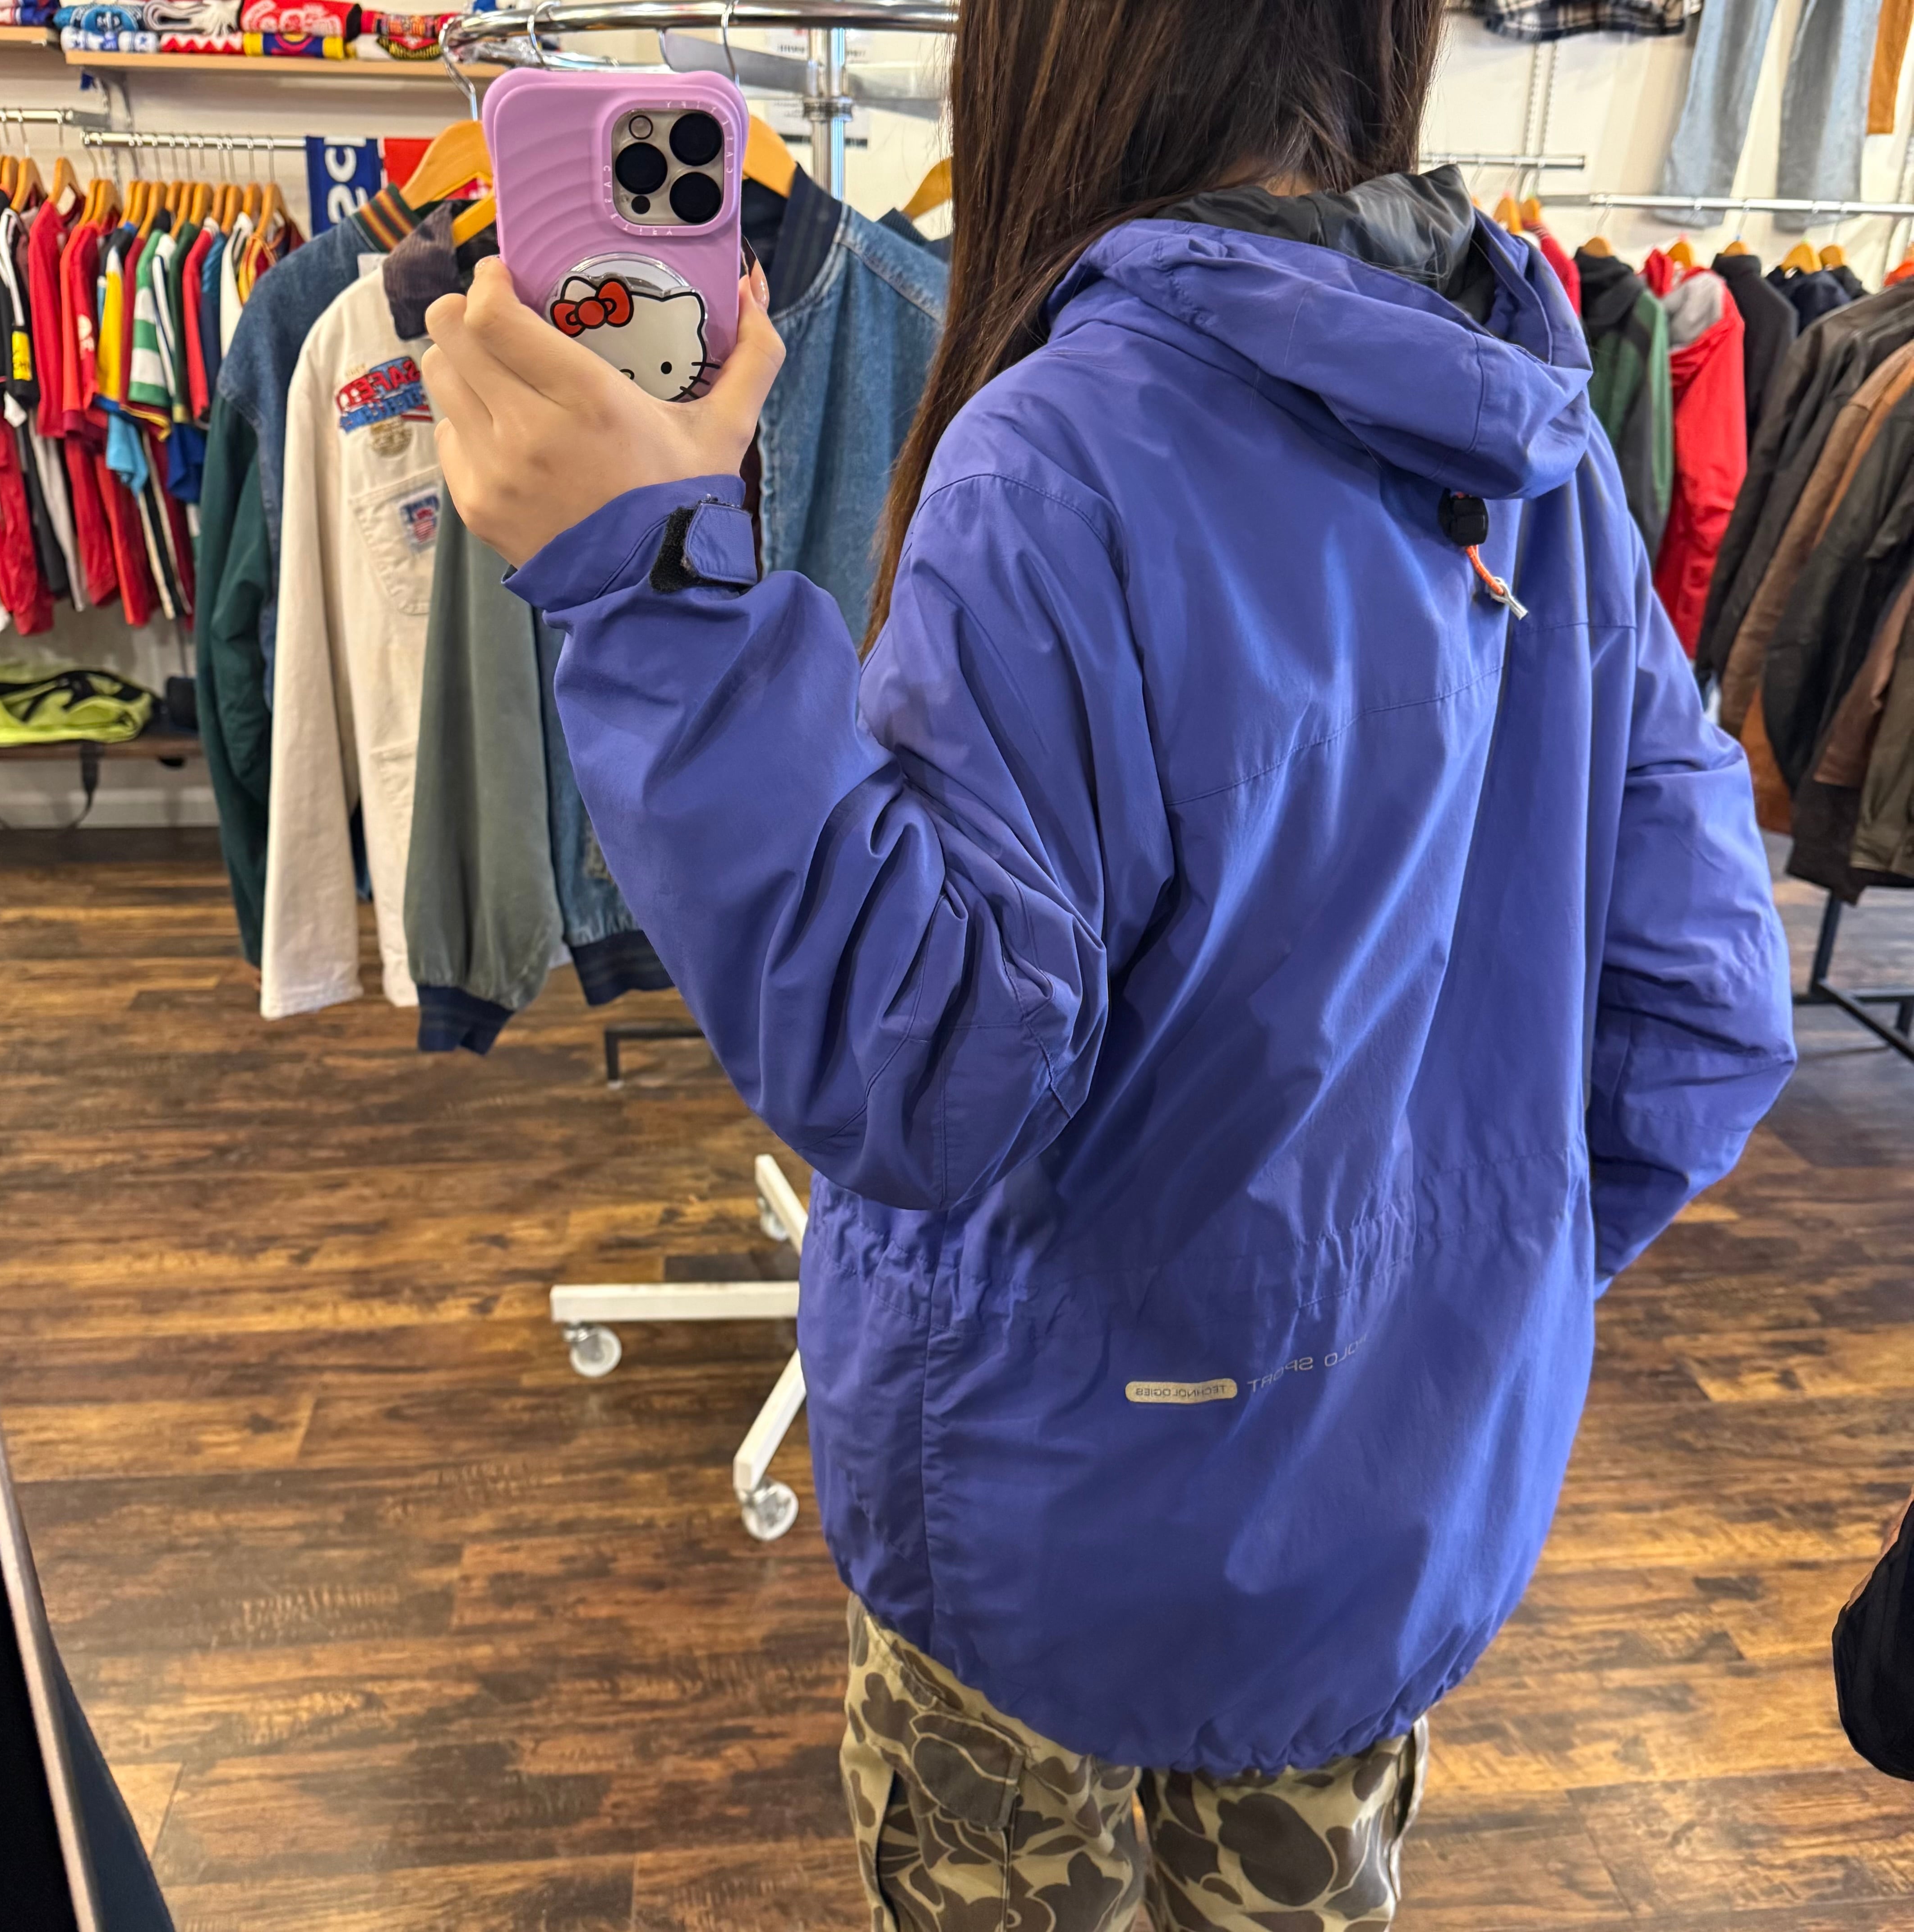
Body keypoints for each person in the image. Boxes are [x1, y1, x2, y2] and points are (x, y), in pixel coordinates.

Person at [425, 2, 1797, 1923]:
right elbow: (1706, 1011)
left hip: (1039, 1515)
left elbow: (917, 1069)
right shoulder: (1525, 422)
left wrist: (648, 586)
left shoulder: (1065, 448)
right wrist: (1451, 1305)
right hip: (1385, 1520)